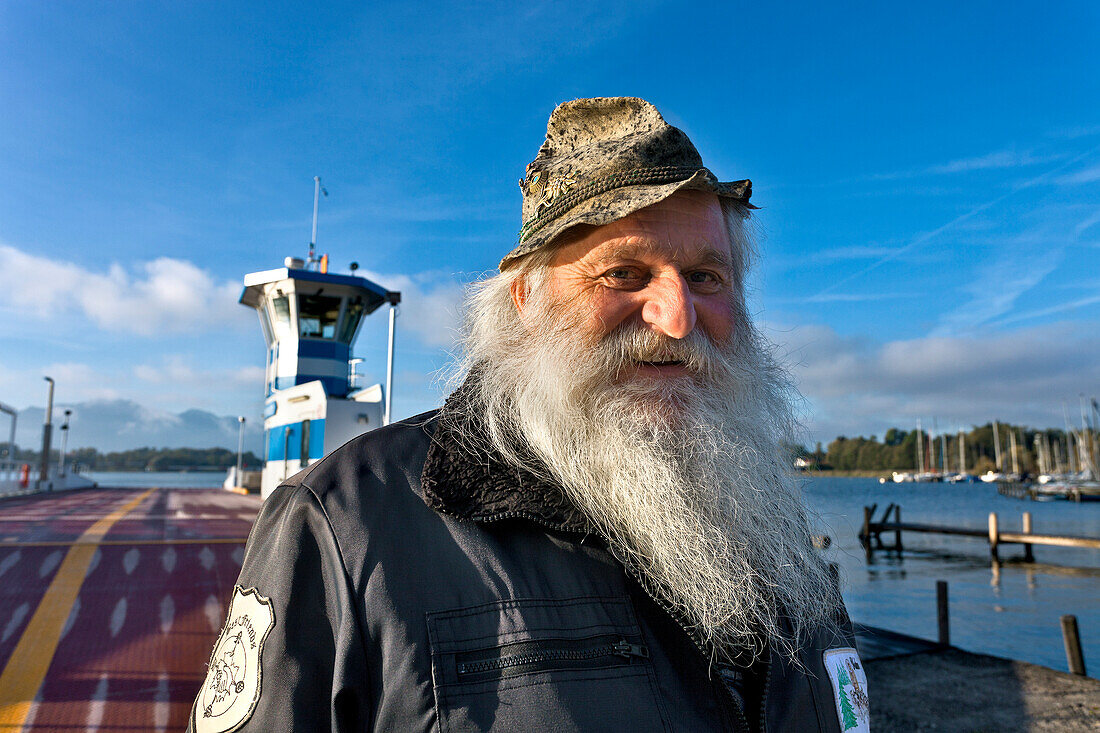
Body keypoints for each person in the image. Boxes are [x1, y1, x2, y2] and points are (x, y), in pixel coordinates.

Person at [189, 97, 869, 733]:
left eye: (706, 277)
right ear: (526, 302)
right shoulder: (345, 526)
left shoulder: (767, 523)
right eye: (624, 274)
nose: (678, 316)